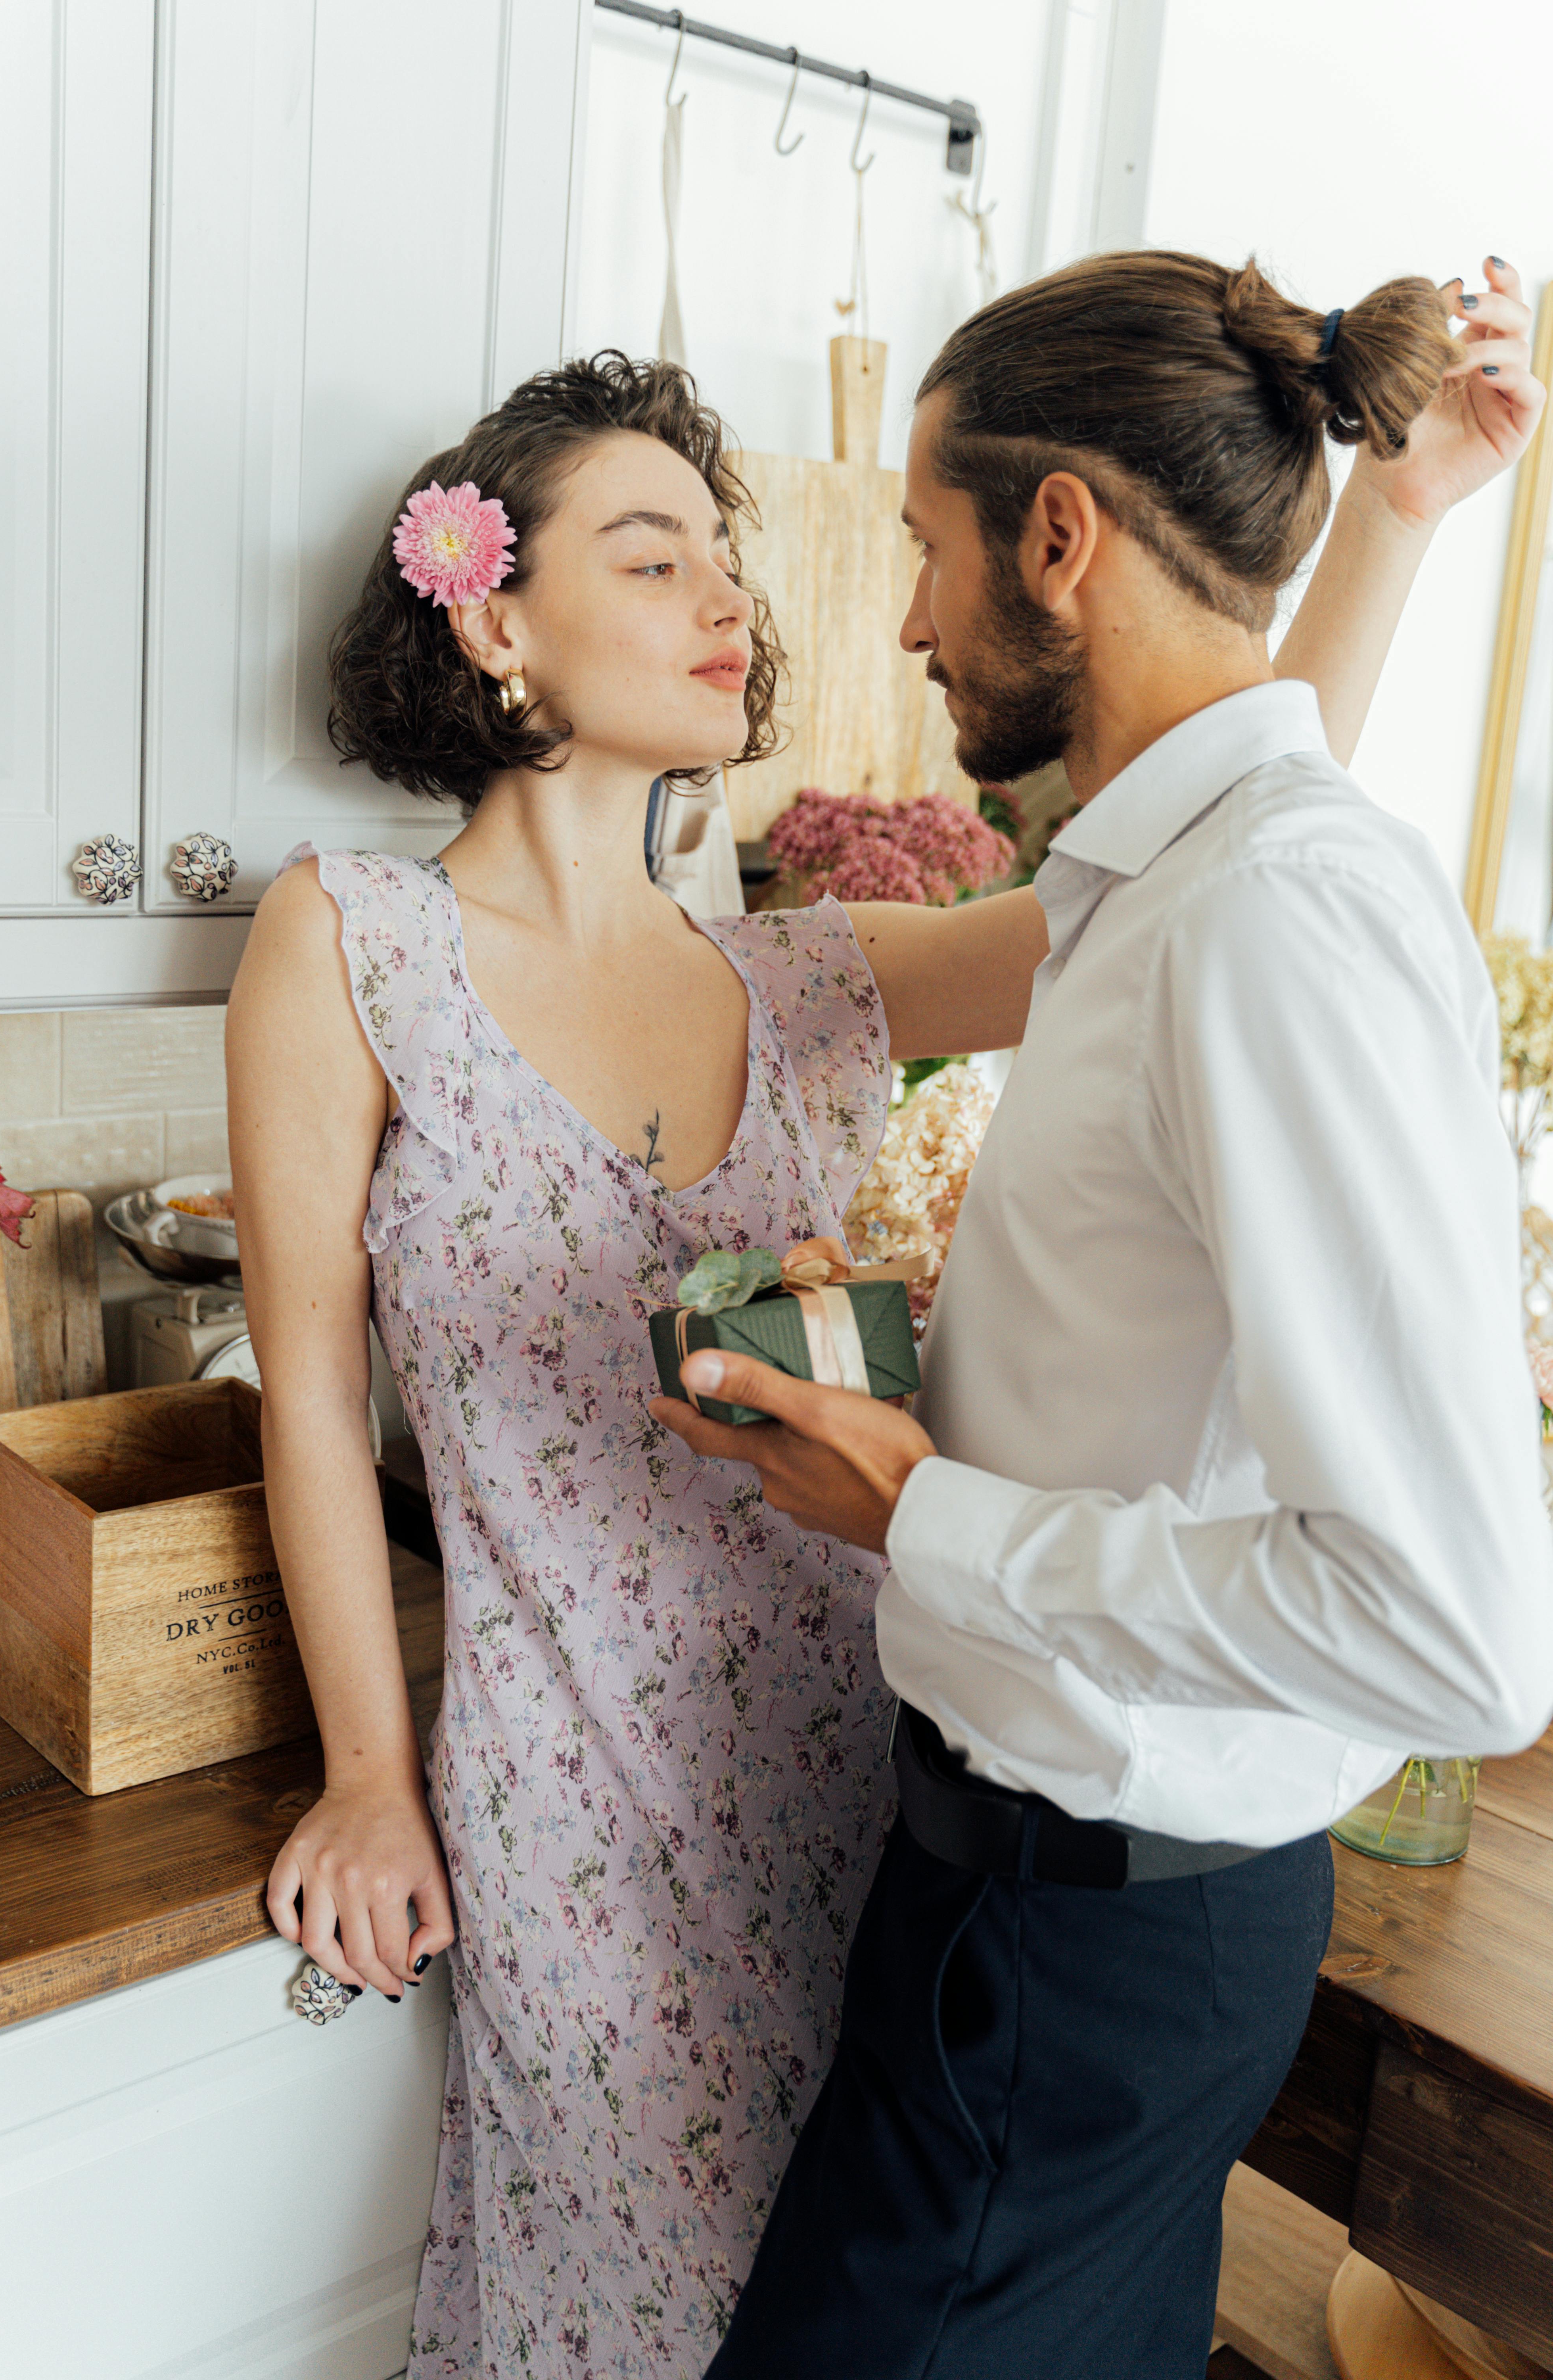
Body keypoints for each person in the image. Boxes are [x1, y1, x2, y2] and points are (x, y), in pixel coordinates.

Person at [226, 265, 1529, 2380]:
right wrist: (372, 1775)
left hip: (889, 1778)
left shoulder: (810, 968)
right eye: (654, 557)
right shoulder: (343, 940)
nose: (739, 598)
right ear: (491, 615)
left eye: (730, 557)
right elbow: (302, 1401)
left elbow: (1182, 860)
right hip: (573, 1805)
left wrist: (1382, 532)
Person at [654, 255, 1553, 2380]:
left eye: (918, 551)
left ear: (1060, 536)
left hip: (1089, 1950)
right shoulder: (1171, 883)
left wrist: (925, 1510)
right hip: (1024, 1907)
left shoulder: (1271, 922)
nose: (900, 623)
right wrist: (908, 1379)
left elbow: (1458, 1633)